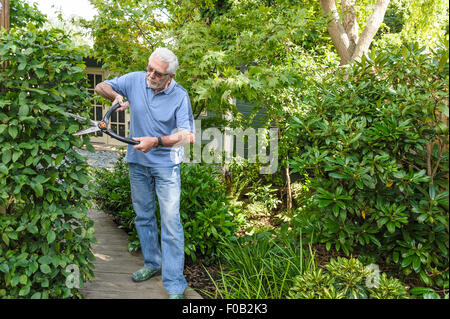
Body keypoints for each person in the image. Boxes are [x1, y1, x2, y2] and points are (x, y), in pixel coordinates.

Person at [95, 47, 195, 299]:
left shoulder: (180, 96)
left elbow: (188, 136)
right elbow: (101, 86)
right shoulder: (136, 79)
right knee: (143, 215)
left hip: (166, 165)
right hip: (137, 161)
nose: (150, 75)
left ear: (169, 77)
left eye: (157, 73)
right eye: (149, 68)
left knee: (171, 223)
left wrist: (157, 141)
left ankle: (174, 284)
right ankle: (152, 264)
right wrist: (116, 96)